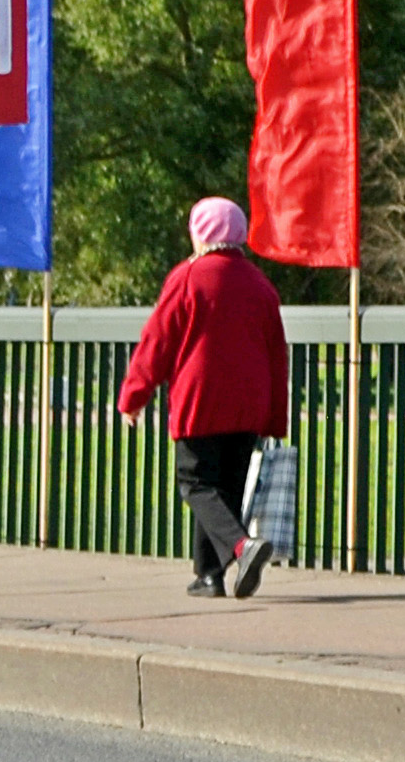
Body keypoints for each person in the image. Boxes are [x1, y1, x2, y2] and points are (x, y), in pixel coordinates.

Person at [116, 198, 291, 597]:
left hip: (201, 401)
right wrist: (274, 417)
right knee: (224, 488)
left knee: (195, 483)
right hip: (249, 406)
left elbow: (157, 343)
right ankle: (208, 575)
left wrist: (133, 396)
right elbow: (276, 354)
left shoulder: (188, 277)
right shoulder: (260, 284)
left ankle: (243, 547)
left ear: (201, 233)